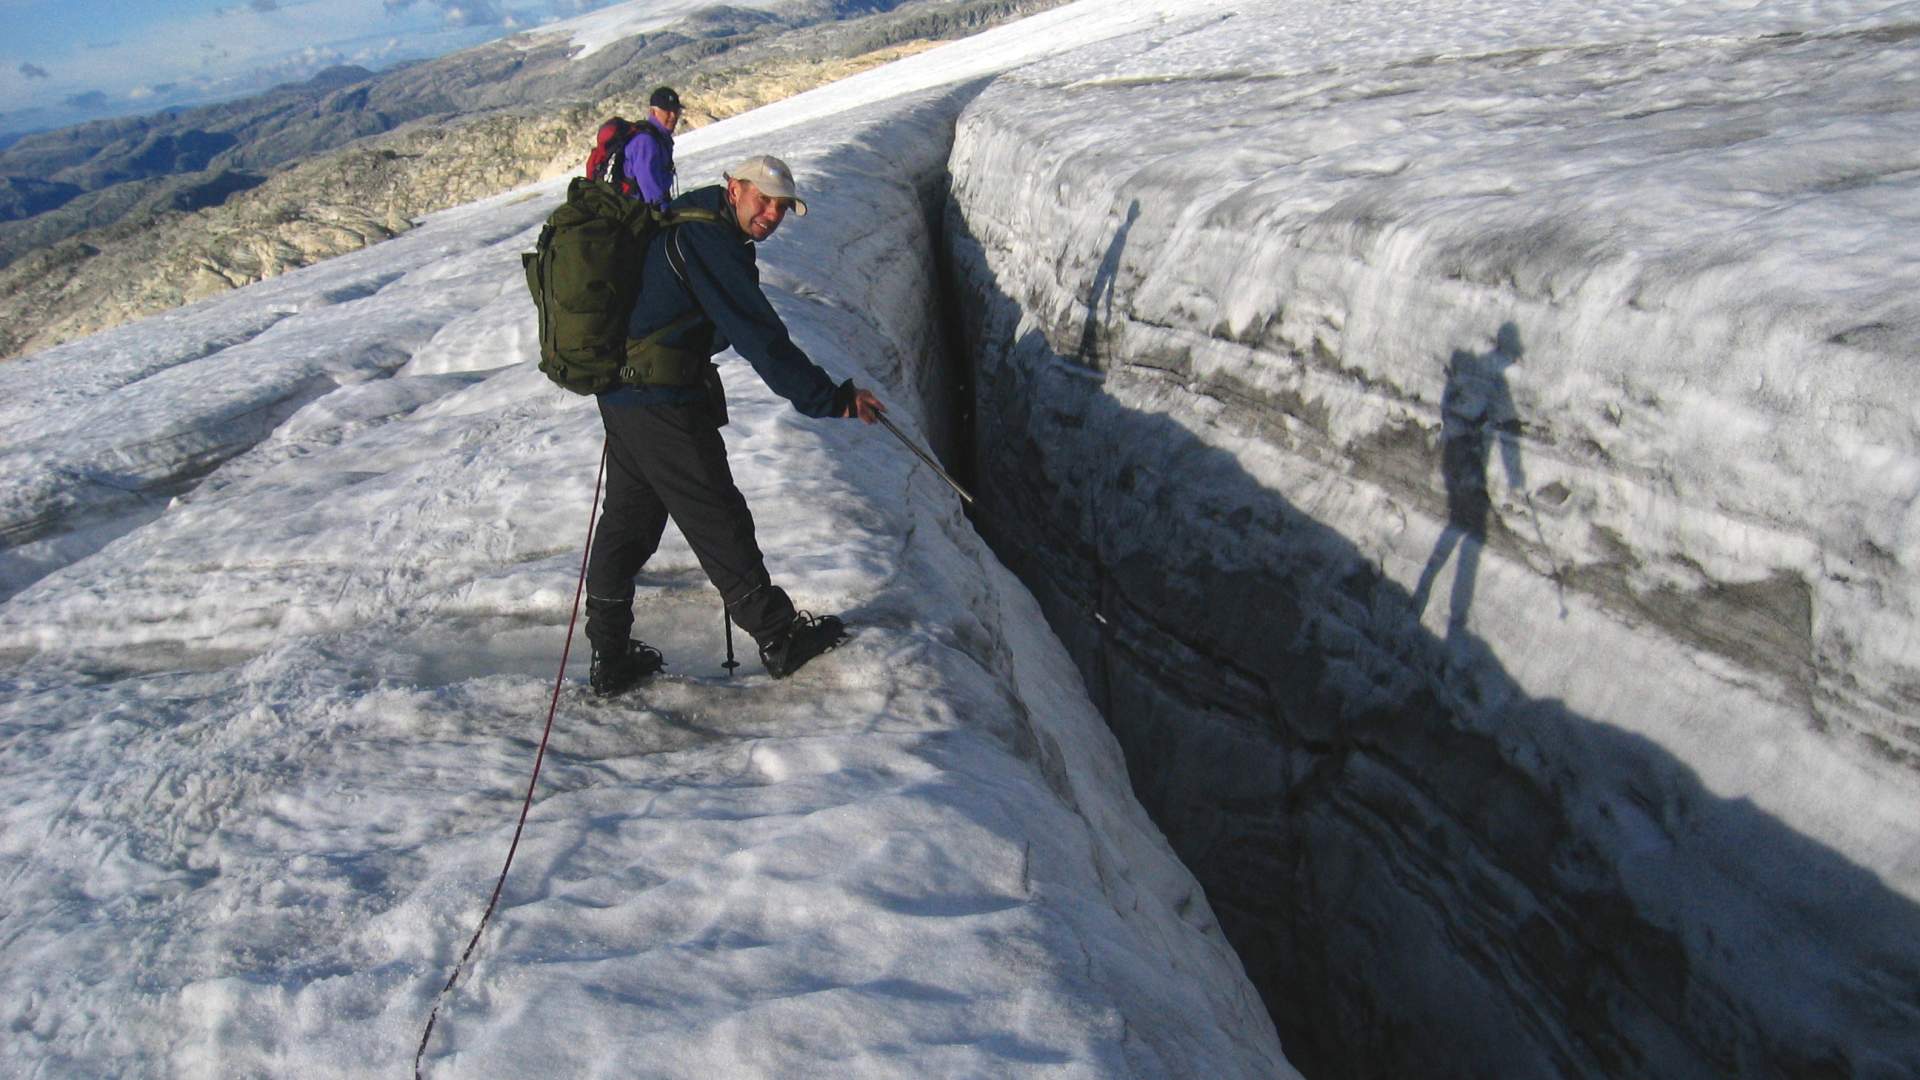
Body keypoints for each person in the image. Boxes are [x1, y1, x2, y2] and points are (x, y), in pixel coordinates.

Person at [584, 154, 886, 696]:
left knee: (629, 523)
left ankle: (610, 655)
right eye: (763, 199)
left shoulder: (690, 220)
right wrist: (832, 400)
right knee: (715, 514)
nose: (771, 214)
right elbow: (759, 337)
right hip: (661, 401)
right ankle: (779, 638)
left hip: (628, 395)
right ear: (734, 187)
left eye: (782, 207)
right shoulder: (709, 242)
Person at [623, 86, 682, 208]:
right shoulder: (646, 141)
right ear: (653, 112)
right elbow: (650, 190)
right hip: (638, 214)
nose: (673, 116)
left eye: (676, 111)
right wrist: (665, 216)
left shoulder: (659, 138)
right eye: (667, 111)